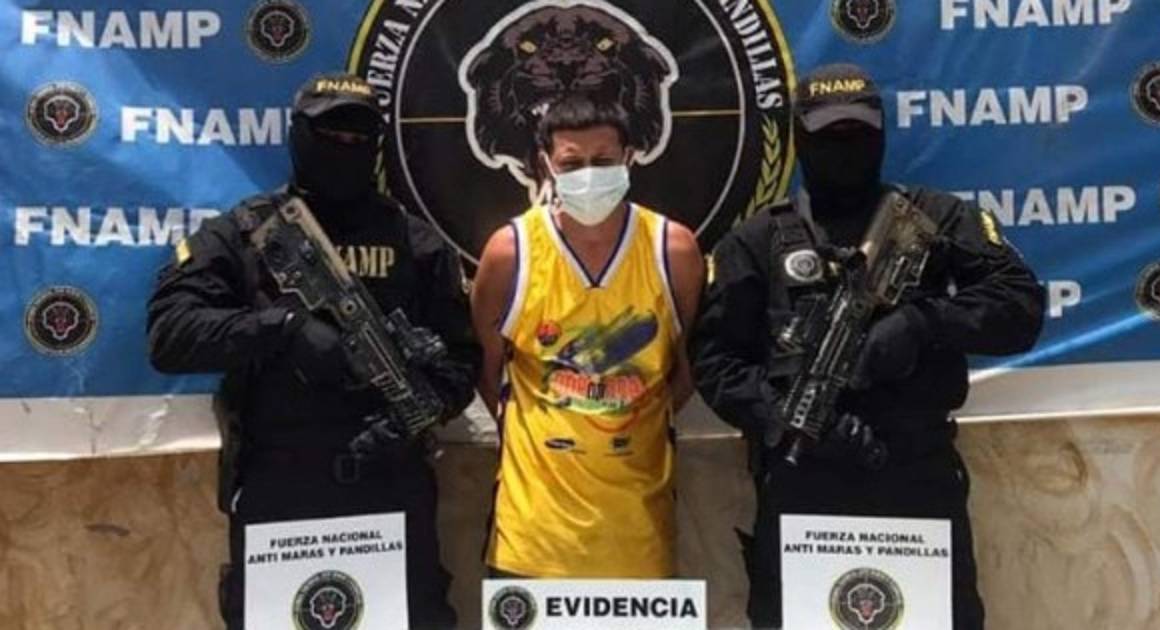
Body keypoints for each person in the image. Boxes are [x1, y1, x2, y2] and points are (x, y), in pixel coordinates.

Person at [690, 63, 1045, 629]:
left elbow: (1019, 307)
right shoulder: (756, 242)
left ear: (881, 133)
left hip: (916, 479)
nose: (845, 148)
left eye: (858, 134)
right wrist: (786, 418)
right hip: (806, 486)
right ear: (799, 138)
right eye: (829, 136)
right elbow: (715, 363)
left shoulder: (935, 217)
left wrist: (924, 322)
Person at [146, 72, 479, 629]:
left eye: (358, 138)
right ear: (298, 134)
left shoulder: (415, 243)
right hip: (282, 493)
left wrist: (408, 421)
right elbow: (170, 335)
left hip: (389, 491)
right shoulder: (247, 232)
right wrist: (283, 328)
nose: (345, 149)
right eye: (330, 135)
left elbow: (460, 361)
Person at [470, 94, 705, 578]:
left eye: (603, 161)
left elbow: (687, 371)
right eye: (572, 163)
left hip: (639, 531)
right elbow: (487, 373)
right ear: (546, 164)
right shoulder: (510, 252)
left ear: (629, 158)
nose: (589, 175)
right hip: (531, 536)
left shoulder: (673, 250)